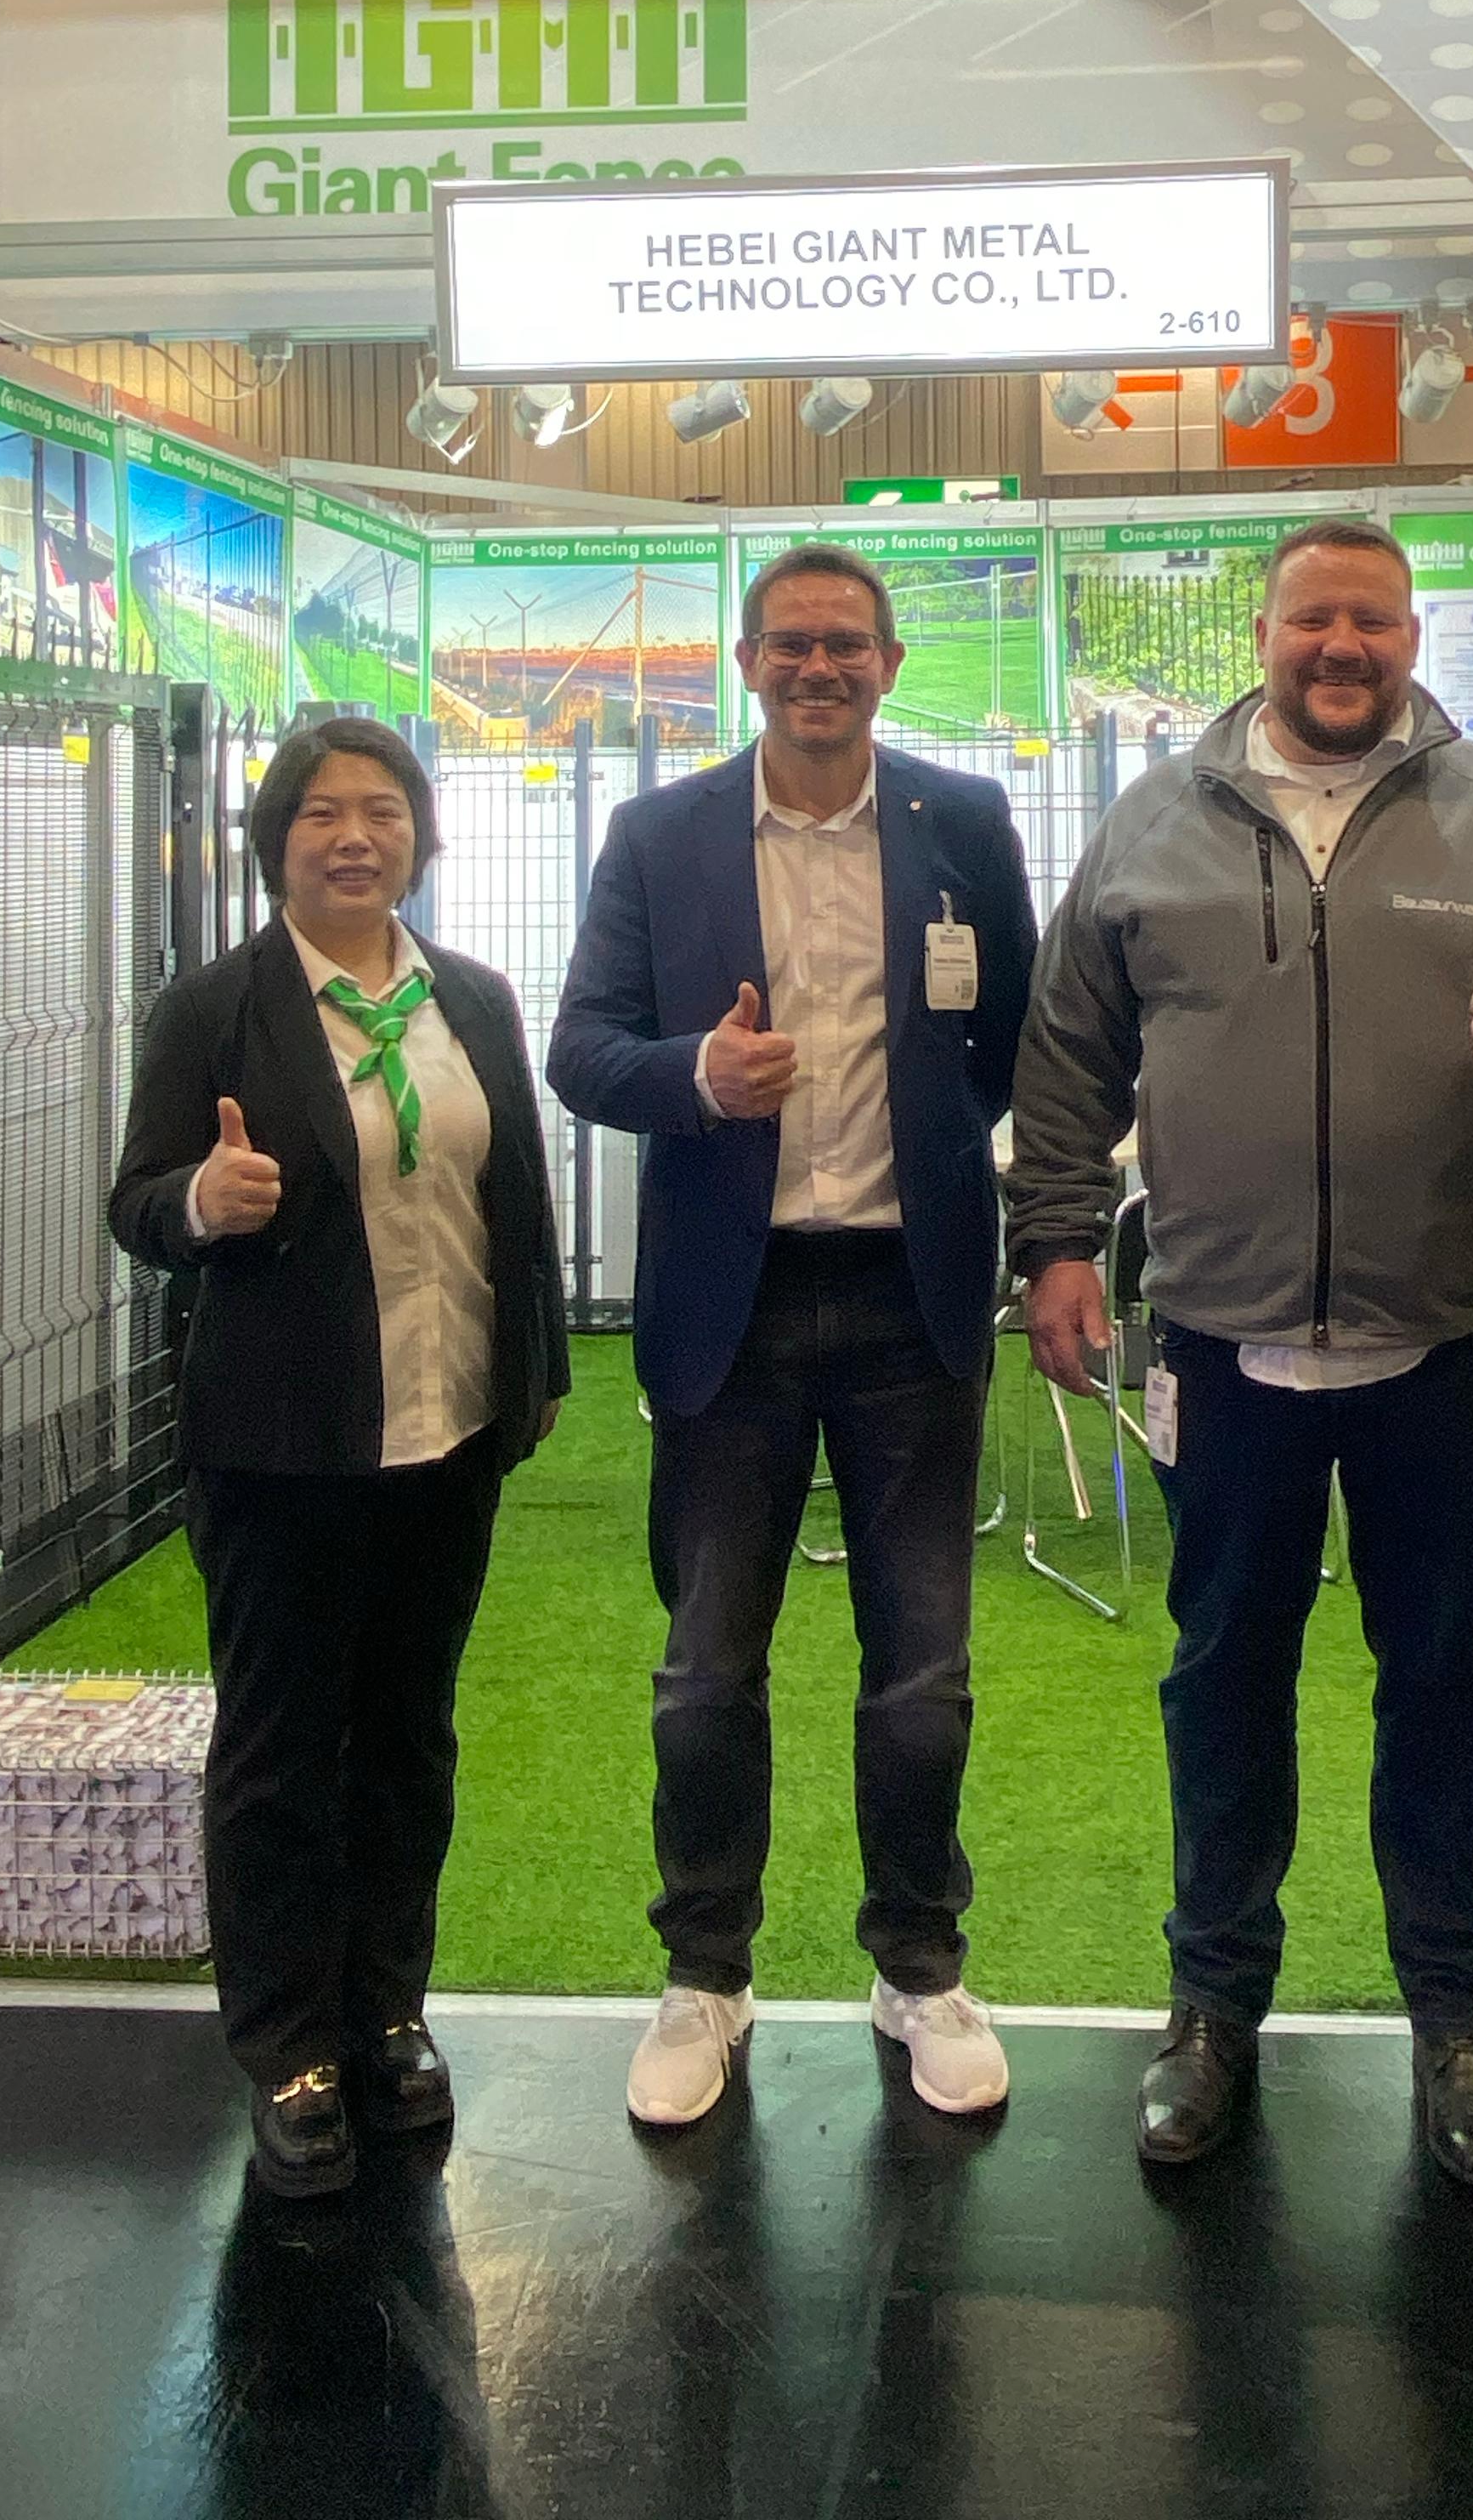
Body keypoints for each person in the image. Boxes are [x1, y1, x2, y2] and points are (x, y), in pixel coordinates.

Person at [1010, 519, 1473, 2182]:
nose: (1341, 647)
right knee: (1220, 1676)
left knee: (1445, 1680)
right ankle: (1211, 2008)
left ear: (1409, 636)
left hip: (1442, 1342)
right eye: (1314, 617)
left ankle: (1457, 2023)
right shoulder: (1155, 821)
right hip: (1221, 1349)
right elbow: (1069, 1057)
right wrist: (1060, 1246)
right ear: (1266, 630)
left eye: (1371, 620)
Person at [549, 542, 1037, 2127]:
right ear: (746, 664)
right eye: (790, 646)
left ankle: (919, 1965)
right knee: (704, 1677)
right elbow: (579, 1053)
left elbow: (1009, 1042)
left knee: (923, 1679)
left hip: (911, 1300)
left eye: (847, 646)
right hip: (727, 1310)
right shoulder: (658, 835)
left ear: (891, 666)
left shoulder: (963, 826)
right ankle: (706, 1979)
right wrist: (697, 1076)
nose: (819, 669)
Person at [110, 715, 570, 2199]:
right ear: (276, 842)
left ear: (420, 836)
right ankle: (290, 2049)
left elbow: (514, 1205)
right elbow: (134, 1205)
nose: (355, 836)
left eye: (382, 811)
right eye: (321, 815)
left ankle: (387, 2010)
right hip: (282, 1450)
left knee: (410, 1737)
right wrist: (205, 1200)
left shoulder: (472, 1002)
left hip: (444, 1437)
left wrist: (531, 1382)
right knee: (280, 1754)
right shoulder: (213, 1013)